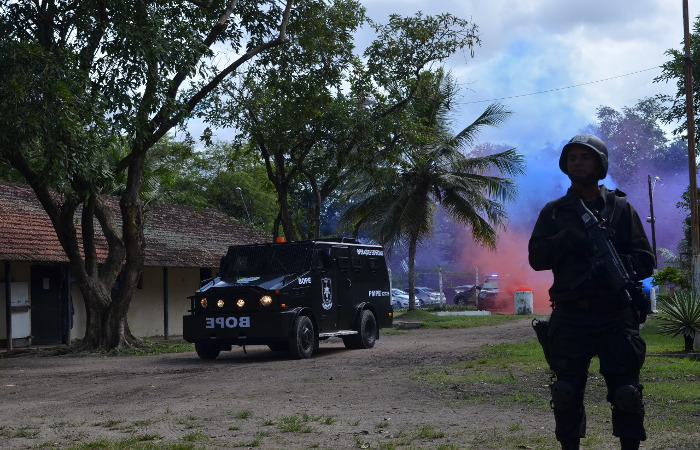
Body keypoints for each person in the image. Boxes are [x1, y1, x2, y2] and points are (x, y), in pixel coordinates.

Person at [528, 134, 655, 450]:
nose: (578, 162)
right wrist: (565, 240)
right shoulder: (555, 213)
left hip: (615, 313)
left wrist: (613, 265)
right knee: (566, 392)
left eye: (585, 157)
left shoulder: (621, 210)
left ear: (599, 164)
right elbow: (536, 259)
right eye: (572, 157)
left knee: (626, 393)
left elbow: (646, 261)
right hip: (571, 314)